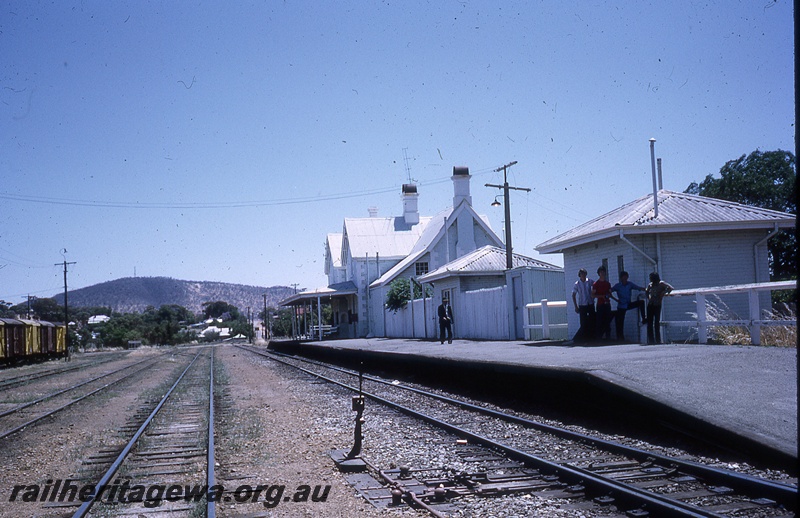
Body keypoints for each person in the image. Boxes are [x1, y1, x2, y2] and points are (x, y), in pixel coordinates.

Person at [611, 271, 645, 342]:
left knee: (641, 302)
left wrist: (646, 289)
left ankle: (644, 318)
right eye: (624, 277)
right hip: (621, 306)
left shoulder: (629, 284)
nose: (625, 279)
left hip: (628, 304)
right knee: (620, 322)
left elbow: (638, 288)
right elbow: (609, 292)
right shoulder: (618, 286)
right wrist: (616, 300)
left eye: (626, 277)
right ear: (621, 278)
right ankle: (620, 338)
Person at [645, 272, 673, 344]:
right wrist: (648, 296)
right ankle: (651, 340)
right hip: (650, 304)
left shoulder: (661, 283)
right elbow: (647, 291)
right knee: (649, 323)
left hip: (657, 304)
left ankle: (658, 340)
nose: (650, 279)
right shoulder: (650, 285)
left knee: (656, 322)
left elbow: (670, 288)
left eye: (651, 277)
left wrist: (663, 292)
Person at [571, 268, 595, 342]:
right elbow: (573, 295)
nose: (583, 275)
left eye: (584, 273)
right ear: (579, 275)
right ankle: (584, 338)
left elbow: (596, 286)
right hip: (582, 304)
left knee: (592, 321)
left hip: (590, 303)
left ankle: (592, 337)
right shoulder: (577, 284)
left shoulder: (590, 281)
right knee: (583, 322)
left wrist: (593, 294)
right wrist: (576, 306)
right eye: (581, 274)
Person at [591, 266, 613, 340]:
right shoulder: (595, 284)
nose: (602, 273)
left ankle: (608, 337)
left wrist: (608, 296)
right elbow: (593, 295)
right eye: (601, 272)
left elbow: (610, 293)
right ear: (598, 273)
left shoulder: (608, 284)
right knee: (599, 321)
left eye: (603, 272)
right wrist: (602, 296)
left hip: (607, 304)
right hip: (600, 304)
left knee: (608, 321)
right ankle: (599, 338)